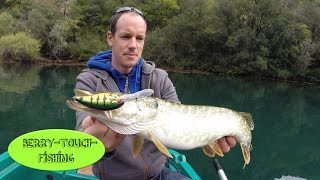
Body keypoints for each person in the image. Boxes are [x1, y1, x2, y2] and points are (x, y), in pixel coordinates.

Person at [74, 6, 237, 180]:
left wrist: (210, 135)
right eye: (126, 36)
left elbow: (180, 123)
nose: (133, 45)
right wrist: (100, 146)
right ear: (110, 38)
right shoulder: (89, 80)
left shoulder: (159, 78)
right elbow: (83, 128)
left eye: (139, 38)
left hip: (158, 174)